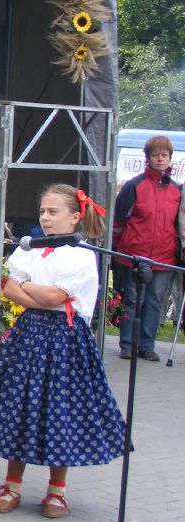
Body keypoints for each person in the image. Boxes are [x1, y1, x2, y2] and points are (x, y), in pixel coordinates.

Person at [0, 185, 126, 519]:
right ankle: (11, 485)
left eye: (53, 212)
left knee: (60, 409)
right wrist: (38, 293)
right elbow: (11, 289)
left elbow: (55, 297)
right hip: (30, 335)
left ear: (75, 217)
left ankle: (57, 491)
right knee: (21, 406)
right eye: (42, 211)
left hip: (66, 339)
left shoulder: (82, 254)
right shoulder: (31, 248)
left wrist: (29, 288)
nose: (45, 218)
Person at [112, 135, 182, 361]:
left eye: (164, 155)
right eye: (155, 155)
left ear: (170, 158)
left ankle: (146, 345)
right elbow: (118, 221)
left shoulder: (177, 190)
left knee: (154, 301)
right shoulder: (134, 186)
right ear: (148, 158)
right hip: (134, 256)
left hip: (164, 257)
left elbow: (178, 224)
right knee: (133, 301)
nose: (160, 159)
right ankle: (127, 344)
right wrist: (116, 251)